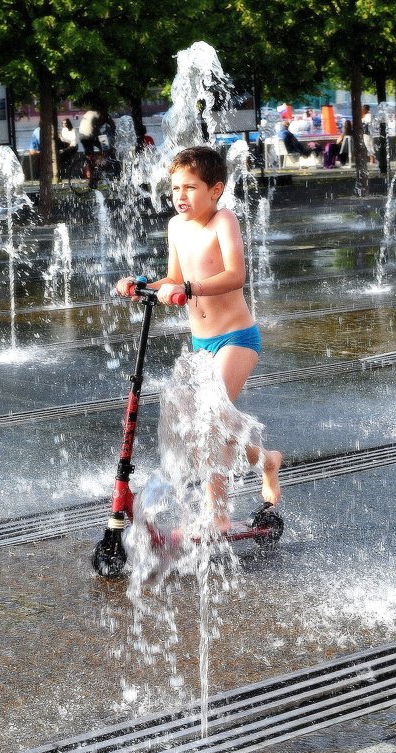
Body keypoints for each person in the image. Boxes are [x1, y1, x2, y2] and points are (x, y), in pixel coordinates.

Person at [114, 146, 281, 529]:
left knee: (211, 420)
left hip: (236, 337)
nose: (180, 196)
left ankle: (218, 516)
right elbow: (173, 279)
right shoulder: (176, 227)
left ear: (215, 190)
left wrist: (190, 288)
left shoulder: (224, 221)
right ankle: (266, 459)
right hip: (201, 346)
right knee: (202, 425)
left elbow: (235, 275)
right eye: (175, 188)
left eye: (190, 187)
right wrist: (141, 283)